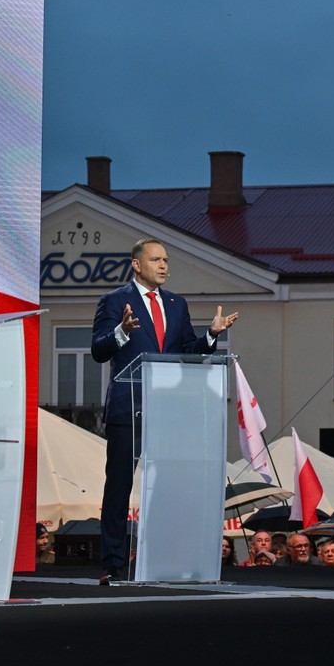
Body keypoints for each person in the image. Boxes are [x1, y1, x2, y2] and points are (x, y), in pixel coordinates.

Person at [91, 237, 239, 585]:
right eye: (156, 259)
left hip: (170, 410)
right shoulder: (114, 301)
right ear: (136, 264)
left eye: (167, 260)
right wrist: (122, 332)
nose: (163, 266)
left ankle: (169, 555)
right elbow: (98, 350)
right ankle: (112, 563)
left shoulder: (176, 304)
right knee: (119, 487)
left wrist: (211, 336)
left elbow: (187, 351)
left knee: (171, 487)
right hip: (130, 407)